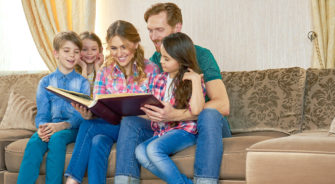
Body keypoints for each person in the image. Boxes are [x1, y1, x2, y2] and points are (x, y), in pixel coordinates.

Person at [115, 3, 231, 184]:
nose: (153, 37)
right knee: (130, 122)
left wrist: (177, 115)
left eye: (159, 30)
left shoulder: (201, 55)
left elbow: (223, 105)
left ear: (177, 28)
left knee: (208, 114)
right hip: (169, 127)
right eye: (150, 30)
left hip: (205, 126)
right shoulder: (155, 62)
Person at [65, 20, 159, 184]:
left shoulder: (151, 69)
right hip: (113, 125)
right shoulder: (105, 71)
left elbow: (157, 113)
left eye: (124, 46)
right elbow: (99, 105)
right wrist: (89, 114)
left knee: (90, 128)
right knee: (97, 140)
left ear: (136, 44)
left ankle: (72, 181)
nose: (119, 53)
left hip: (143, 128)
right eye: (114, 48)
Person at [17, 31, 90, 184]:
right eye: (66, 51)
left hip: (72, 128)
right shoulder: (45, 82)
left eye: (76, 52)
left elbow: (80, 115)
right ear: (55, 53)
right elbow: (42, 114)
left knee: (57, 139)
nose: (72, 55)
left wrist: (62, 125)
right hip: (50, 126)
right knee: (34, 142)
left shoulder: (82, 83)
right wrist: (42, 128)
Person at [135, 32, 205, 184]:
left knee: (153, 149)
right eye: (161, 56)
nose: (161, 61)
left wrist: (195, 81)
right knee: (140, 151)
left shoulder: (192, 80)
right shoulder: (158, 79)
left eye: (166, 58)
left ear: (181, 60)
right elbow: (146, 106)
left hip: (185, 131)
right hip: (162, 131)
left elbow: (198, 111)